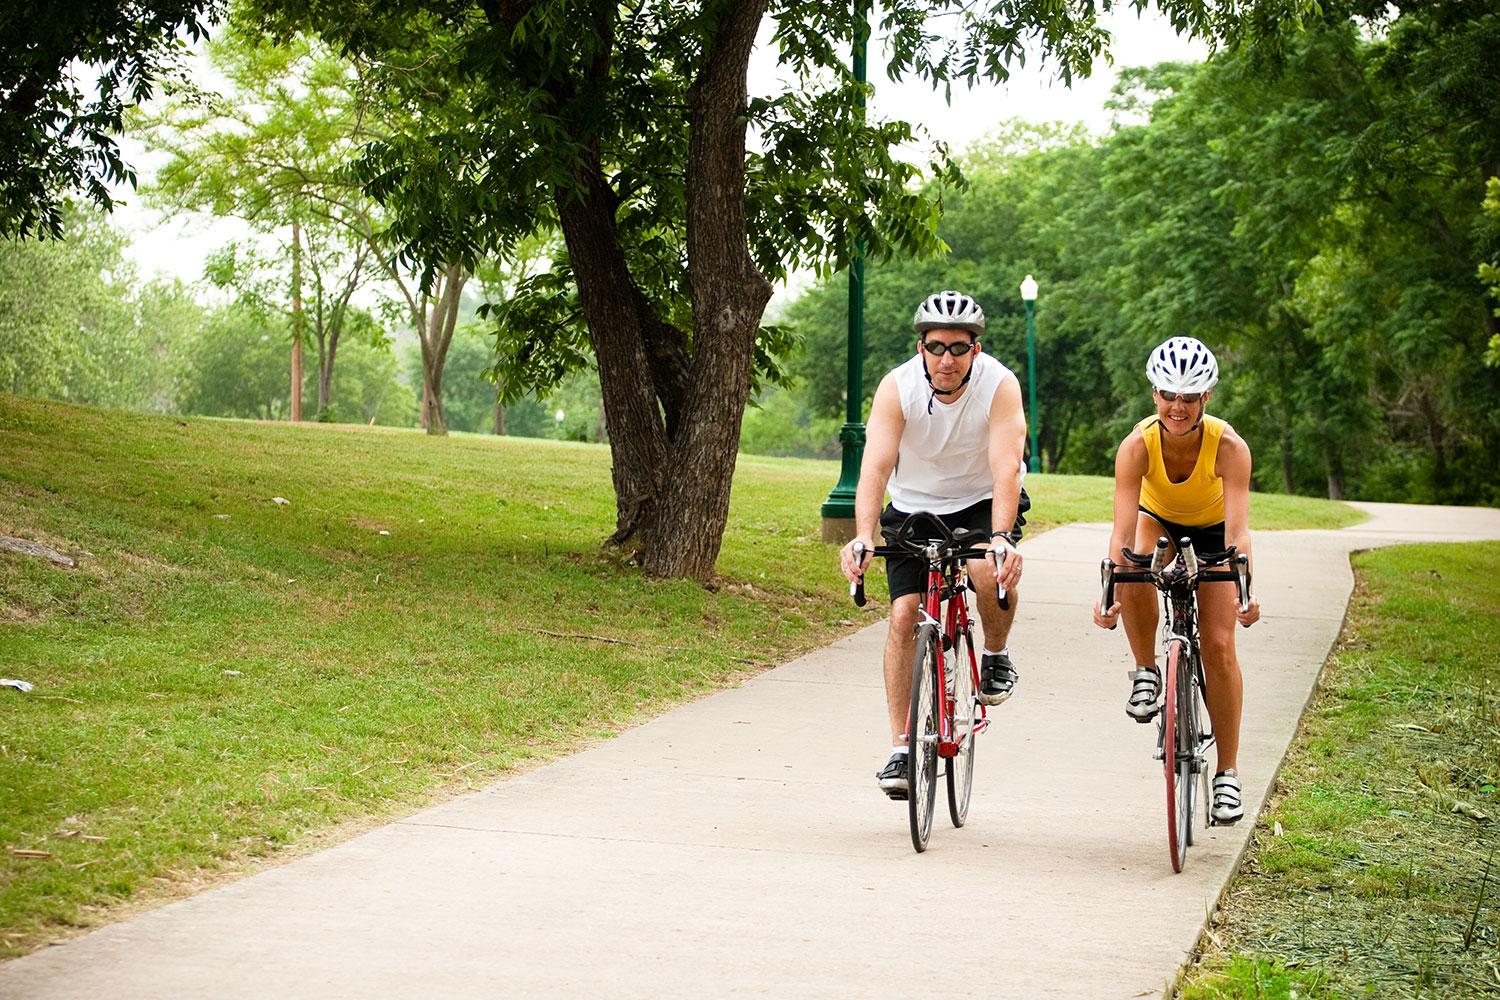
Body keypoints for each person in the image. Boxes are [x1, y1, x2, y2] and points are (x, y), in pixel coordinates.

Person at [838, 290, 1029, 800]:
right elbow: (875, 467)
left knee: (988, 570)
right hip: (913, 507)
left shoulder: (999, 385)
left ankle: (995, 653)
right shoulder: (896, 387)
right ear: (921, 346)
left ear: (977, 350)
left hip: (980, 499)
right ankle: (902, 747)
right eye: (937, 346)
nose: (948, 358)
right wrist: (862, 535)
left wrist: (1002, 539)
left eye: (960, 347)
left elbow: (1006, 466)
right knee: (903, 616)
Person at [1092, 336, 1261, 823]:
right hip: (1158, 521)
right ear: (1154, 395)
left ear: (1207, 397)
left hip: (1213, 533)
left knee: (1220, 645)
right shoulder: (1136, 447)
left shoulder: (1229, 447)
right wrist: (1108, 594)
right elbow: (1121, 533)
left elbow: (1238, 532)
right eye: (1169, 395)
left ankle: (1227, 774)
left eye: (1190, 397)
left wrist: (1246, 591)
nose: (1178, 407)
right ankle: (1147, 670)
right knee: (1134, 559)